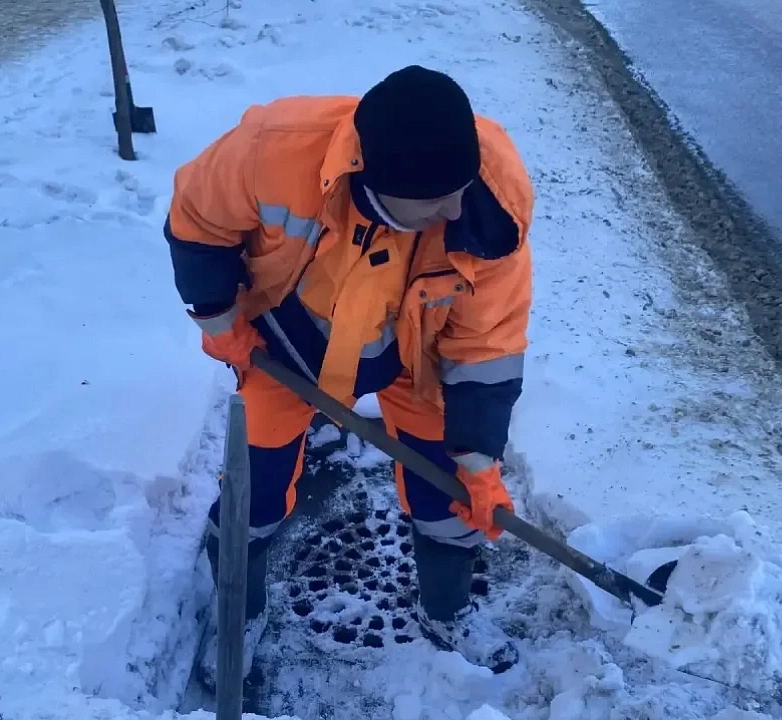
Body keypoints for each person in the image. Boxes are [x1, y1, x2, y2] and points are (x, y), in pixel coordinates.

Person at [165, 65, 534, 683]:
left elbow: (488, 340)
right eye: (434, 200)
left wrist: (478, 461)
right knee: (252, 490)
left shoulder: (490, 205)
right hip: (289, 342)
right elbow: (197, 221)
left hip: (414, 350)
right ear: (377, 181)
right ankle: (239, 610)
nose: (454, 209)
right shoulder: (272, 149)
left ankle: (447, 610)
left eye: (460, 189)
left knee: (451, 495)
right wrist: (220, 317)